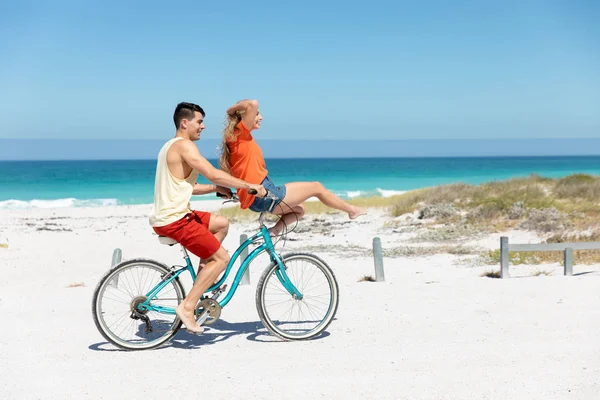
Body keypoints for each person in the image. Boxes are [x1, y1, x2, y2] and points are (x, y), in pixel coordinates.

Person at [149, 102, 266, 334]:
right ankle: (188, 306)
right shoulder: (184, 146)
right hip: (175, 219)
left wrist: (215, 189)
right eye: (199, 122)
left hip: (173, 215)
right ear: (185, 123)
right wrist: (248, 185)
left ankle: (203, 279)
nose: (203, 126)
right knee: (221, 259)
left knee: (222, 223)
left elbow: (187, 187)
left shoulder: (169, 146)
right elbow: (211, 171)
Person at [219, 99, 366, 237]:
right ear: (244, 117)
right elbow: (252, 103)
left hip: (257, 199)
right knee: (317, 187)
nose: (261, 117)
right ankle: (352, 210)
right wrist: (231, 110)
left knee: (299, 209)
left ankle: (275, 231)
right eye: (257, 114)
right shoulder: (240, 134)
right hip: (263, 194)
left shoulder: (238, 140)